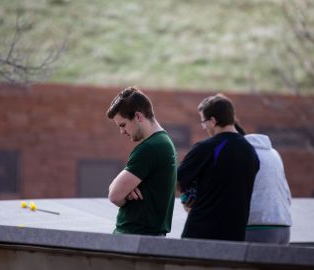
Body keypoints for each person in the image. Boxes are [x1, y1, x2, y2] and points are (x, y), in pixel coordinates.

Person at [178, 94, 259, 241]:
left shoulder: (206, 148)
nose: (203, 127)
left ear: (213, 121)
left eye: (203, 122)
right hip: (235, 236)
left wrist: (186, 198)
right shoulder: (251, 151)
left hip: (201, 234)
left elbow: (176, 179)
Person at [106, 86, 177, 236]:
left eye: (123, 125)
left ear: (138, 116)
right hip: (144, 238)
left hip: (134, 239)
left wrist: (123, 192)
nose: (122, 131)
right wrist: (125, 190)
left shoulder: (149, 148)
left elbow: (114, 195)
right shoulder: (164, 142)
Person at [243, 131, 292, 244]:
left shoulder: (244, 154)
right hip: (284, 226)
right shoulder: (274, 154)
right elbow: (287, 194)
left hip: (257, 226)